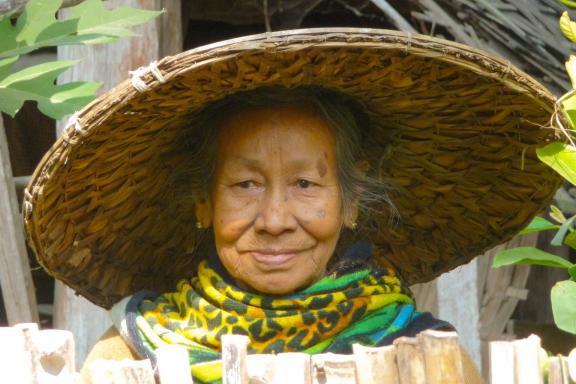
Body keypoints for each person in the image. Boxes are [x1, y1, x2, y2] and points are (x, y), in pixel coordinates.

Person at [23, 28, 560, 383]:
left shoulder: (420, 355)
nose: (276, 221)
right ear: (202, 203)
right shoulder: (133, 356)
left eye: (306, 184)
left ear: (350, 202)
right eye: (245, 186)